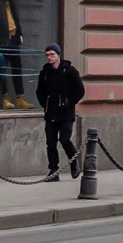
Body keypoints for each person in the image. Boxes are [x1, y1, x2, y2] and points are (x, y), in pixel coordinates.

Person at [36, 44, 84, 181]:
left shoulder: (69, 71)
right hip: (51, 113)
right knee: (50, 143)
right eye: (47, 55)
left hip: (66, 114)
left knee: (65, 139)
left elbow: (80, 90)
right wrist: (45, 104)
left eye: (52, 54)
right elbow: (40, 92)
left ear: (58, 55)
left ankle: (74, 163)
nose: (49, 57)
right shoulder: (44, 72)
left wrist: (68, 103)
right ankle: (53, 170)